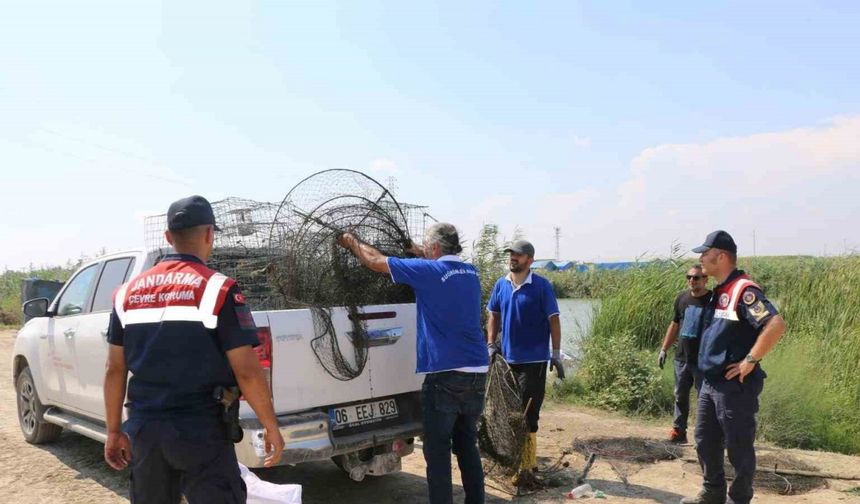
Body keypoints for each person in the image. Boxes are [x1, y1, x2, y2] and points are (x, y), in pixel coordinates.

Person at [103, 195, 285, 504]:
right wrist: (270, 426)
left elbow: (114, 369)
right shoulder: (219, 289)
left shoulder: (126, 294)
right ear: (209, 234)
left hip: (145, 431)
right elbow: (247, 371)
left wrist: (112, 431)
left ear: (168, 238)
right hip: (201, 431)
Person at [337, 223, 488, 504]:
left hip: (445, 375)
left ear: (435, 249)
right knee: (467, 444)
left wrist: (351, 241)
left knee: (437, 450)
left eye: (426, 248)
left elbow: (375, 261)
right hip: (478, 371)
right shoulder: (471, 272)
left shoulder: (429, 272)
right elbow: (433, 258)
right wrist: (416, 250)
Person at [681, 230, 786, 504]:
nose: (701, 258)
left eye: (705, 253)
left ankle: (739, 498)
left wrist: (750, 361)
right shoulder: (720, 290)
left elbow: (775, 325)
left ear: (722, 256)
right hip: (710, 382)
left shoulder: (744, 290)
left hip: (734, 387)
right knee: (704, 440)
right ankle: (712, 493)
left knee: (738, 446)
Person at [485, 239, 563, 478]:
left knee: (528, 414)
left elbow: (554, 320)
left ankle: (527, 465)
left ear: (530, 259)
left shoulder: (541, 286)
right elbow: (493, 314)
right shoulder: (501, 284)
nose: (512, 258)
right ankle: (513, 459)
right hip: (506, 361)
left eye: (517, 255)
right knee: (508, 413)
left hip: (534, 362)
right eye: (511, 254)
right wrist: (490, 344)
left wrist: (556, 353)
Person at [657, 264, 710, 444]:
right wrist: (664, 349)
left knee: (705, 398)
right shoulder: (681, 298)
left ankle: (707, 435)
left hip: (704, 360)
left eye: (696, 278)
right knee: (680, 395)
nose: (691, 281)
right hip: (682, 358)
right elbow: (674, 325)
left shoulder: (713, 300)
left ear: (705, 279)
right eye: (689, 277)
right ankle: (679, 431)